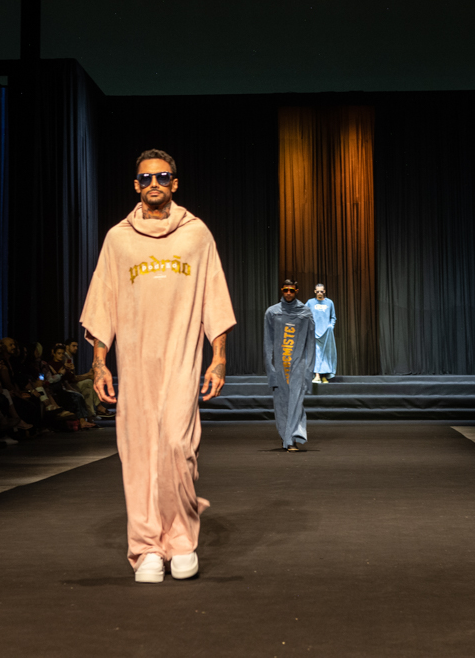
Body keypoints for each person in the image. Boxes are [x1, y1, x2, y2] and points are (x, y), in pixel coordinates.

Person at [80, 149, 236, 584]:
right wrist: (99, 364)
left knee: (176, 445)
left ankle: (181, 541)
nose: (154, 183)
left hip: (182, 359)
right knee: (138, 454)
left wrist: (219, 359)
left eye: (163, 177)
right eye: (146, 177)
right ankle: (147, 547)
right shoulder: (118, 239)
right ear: (136, 185)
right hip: (135, 365)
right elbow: (103, 304)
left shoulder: (196, 234)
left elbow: (214, 299)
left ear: (174, 183)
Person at [264, 279, 315, 452]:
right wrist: (270, 368)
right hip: (280, 365)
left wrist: (309, 369)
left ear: (296, 291)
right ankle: (286, 436)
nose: (288, 293)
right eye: (285, 290)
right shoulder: (272, 312)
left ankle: (291, 439)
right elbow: (267, 342)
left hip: (298, 364)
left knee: (296, 401)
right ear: (282, 290)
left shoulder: (305, 313)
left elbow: (311, 342)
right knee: (281, 403)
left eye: (291, 290)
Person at [306, 283, 337, 383]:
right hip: (314, 332)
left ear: (324, 291)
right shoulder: (310, 302)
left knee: (325, 354)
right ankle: (317, 375)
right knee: (316, 353)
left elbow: (333, 317)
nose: (319, 293)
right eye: (318, 291)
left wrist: (331, 326)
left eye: (321, 291)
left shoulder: (329, 303)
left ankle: (324, 376)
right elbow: (304, 314)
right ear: (315, 291)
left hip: (326, 333)